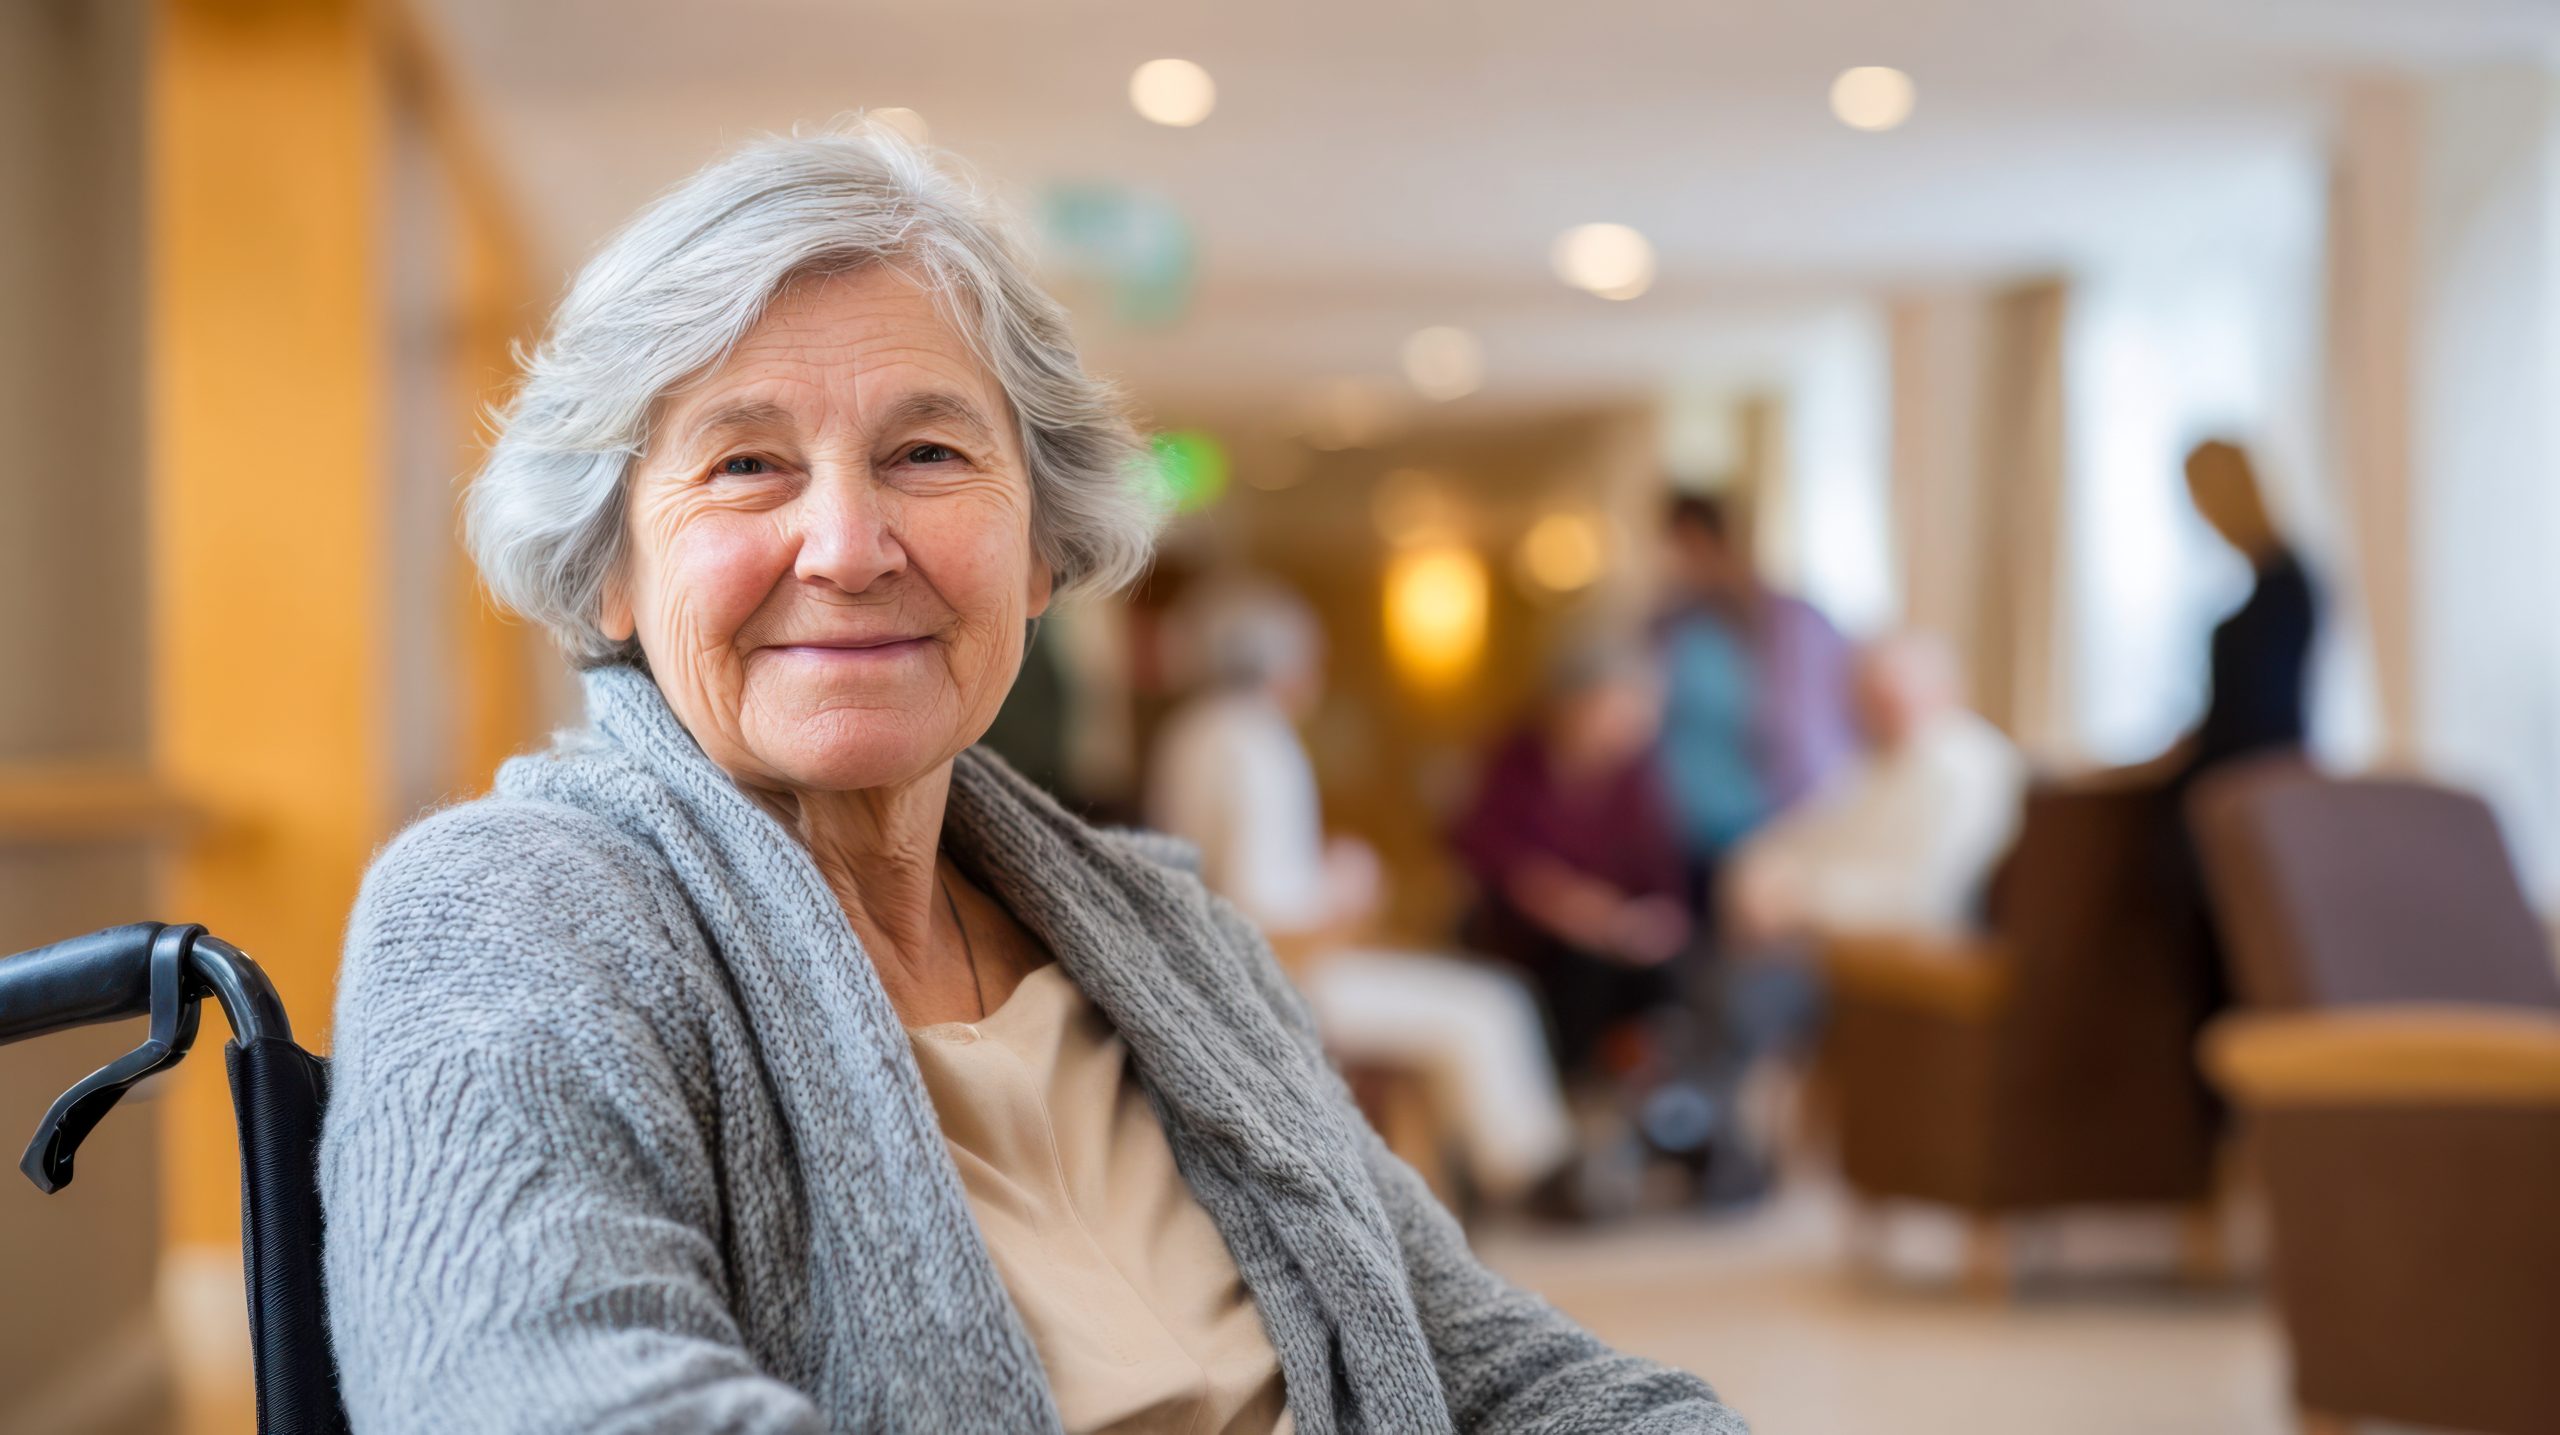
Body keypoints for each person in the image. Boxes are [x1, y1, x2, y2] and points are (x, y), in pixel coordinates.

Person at [319, 123, 1746, 1434]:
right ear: (614, 567)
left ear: (1045, 547)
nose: (847, 544)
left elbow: (1482, 1361)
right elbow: (550, 1399)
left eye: (927, 452)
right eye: (747, 463)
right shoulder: (506, 913)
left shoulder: (1171, 935)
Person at [1147, 579, 1577, 1209]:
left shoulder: (1190, 734)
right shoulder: (1259, 743)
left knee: (1473, 1001)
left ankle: (1507, 1176)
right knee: (1487, 1005)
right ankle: (1539, 1180)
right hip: (1280, 981)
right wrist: (1348, 887)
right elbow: (1264, 909)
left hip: (1217, 970)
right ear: (1281, 664)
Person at [1449, 643, 1694, 1083]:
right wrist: (1563, 901)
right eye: (1619, 709)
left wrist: (1649, 920)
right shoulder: (1520, 757)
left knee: (1667, 977)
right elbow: (1483, 847)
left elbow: (1662, 877)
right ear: (1576, 704)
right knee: (1581, 974)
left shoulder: (1634, 777)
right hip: (1528, 935)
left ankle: (1645, 1100)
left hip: (1615, 937)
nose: (1633, 725)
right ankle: (1563, 1094)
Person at [1726, 632, 2027, 946]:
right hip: (1837, 947)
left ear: (1944, 690)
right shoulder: (1873, 766)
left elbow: (1927, 902)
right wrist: (1759, 871)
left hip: (1918, 953)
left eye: (1892, 695)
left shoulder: (1965, 764)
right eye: (1868, 697)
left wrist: (1802, 897)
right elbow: (1802, 836)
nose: (1876, 710)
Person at [1656, 493, 1860, 859]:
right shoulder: (1670, 628)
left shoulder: (1794, 626)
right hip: (1684, 827)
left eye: (1688, 546)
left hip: (1774, 823)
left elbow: (1814, 727)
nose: (1679, 562)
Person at [2176, 439, 2319, 780]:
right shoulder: (2281, 581)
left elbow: (2255, 720)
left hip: (2253, 780)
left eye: (2200, 497)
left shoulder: (2282, 589)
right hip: (2255, 774)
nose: (2199, 513)